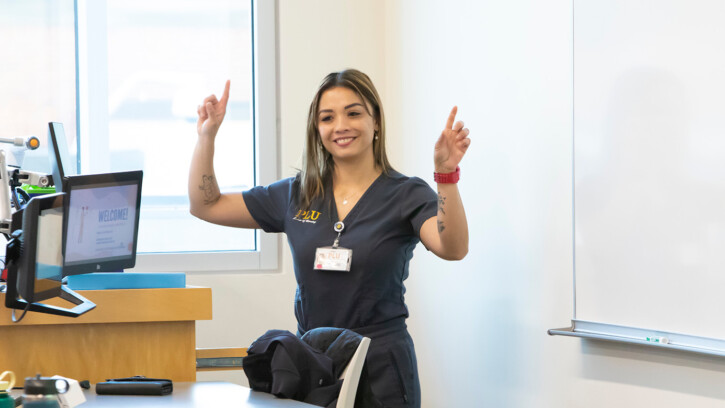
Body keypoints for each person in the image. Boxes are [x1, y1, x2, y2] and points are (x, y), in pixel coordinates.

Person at [189, 69, 470, 408]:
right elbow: (206, 205)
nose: (341, 126)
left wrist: (445, 177)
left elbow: (453, 248)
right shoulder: (296, 194)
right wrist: (207, 137)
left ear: (376, 121)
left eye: (354, 113)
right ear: (316, 128)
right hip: (313, 364)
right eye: (327, 117)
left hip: (380, 365)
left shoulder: (406, 194)